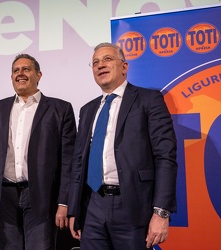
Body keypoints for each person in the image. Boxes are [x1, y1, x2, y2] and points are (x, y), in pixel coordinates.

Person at [68, 42, 178, 249]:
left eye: (107, 59)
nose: (100, 65)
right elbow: (78, 163)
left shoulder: (148, 99)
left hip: (133, 206)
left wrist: (161, 212)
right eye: (95, 63)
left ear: (124, 67)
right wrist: (75, 209)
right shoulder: (87, 109)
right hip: (92, 206)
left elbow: (165, 156)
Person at [0, 54, 77, 250]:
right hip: (4, 198)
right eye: (15, 71)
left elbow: (69, 161)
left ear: (38, 75)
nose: (20, 74)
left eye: (26, 69)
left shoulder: (60, 109)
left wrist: (64, 202)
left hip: (42, 197)